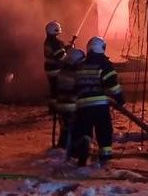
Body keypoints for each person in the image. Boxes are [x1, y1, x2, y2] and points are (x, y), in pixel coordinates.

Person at [69, 36, 124, 167]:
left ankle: (83, 153)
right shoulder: (104, 65)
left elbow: (74, 86)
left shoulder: (81, 66)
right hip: (100, 106)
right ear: (102, 48)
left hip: (82, 106)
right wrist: (120, 99)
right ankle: (105, 157)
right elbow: (112, 85)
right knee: (104, 130)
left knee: (84, 131)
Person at [44, 21, 70, 148]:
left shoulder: (47, 42)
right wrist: (68, 50)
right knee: (57, 89)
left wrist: (66, 48)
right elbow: (61, 57)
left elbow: (57, 53)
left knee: (52, 89)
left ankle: (52, 108)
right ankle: (56, 110)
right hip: (56, 69)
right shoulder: (57, 43)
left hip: (49, 68)